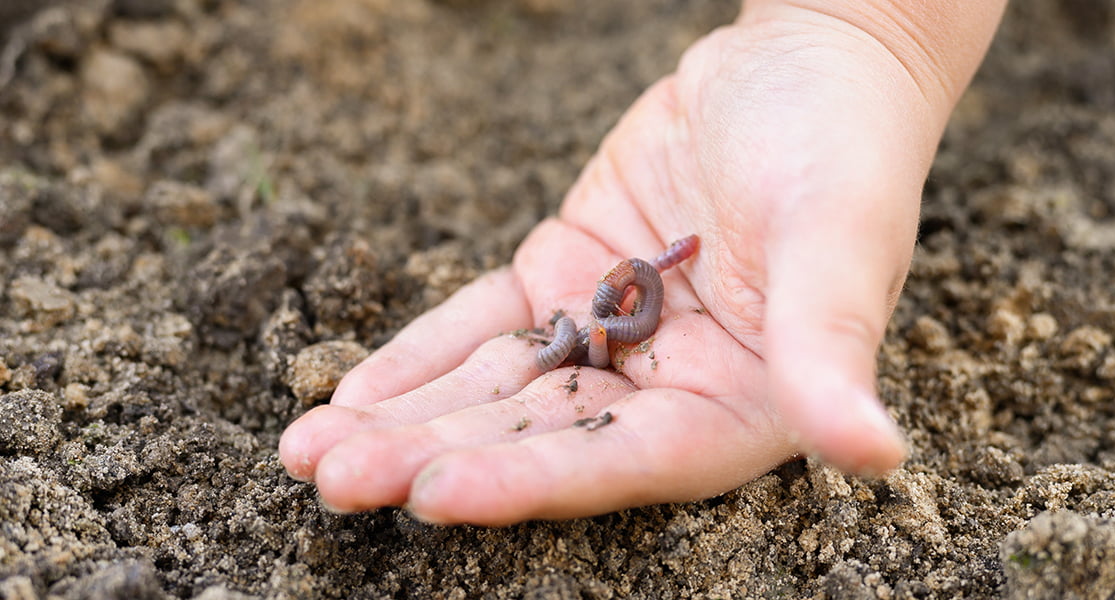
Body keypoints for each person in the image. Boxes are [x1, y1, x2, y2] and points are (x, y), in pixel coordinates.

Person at [279, 0, 1008, 525]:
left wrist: (858, 33)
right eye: (632, 289)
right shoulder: (615, 313)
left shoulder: (630, 303)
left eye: (646, 277)